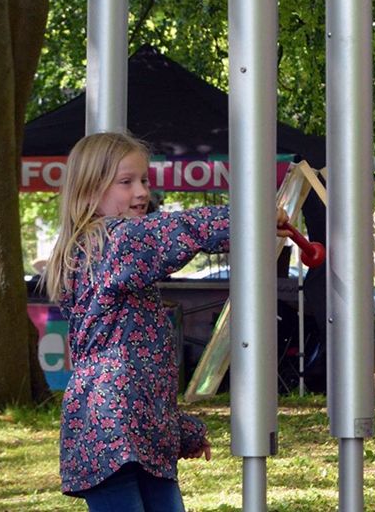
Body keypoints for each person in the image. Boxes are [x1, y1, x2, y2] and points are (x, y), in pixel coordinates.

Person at [44, 132, 291, 511]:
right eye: (126, 183)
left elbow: (147, 373)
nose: (141, 192)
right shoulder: (109, 243)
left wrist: (183, 433)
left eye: (144, 180)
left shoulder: (126, 268)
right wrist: (252, 215)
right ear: (88, 192)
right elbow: (172, 233)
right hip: (108, 430)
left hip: (136, 433)